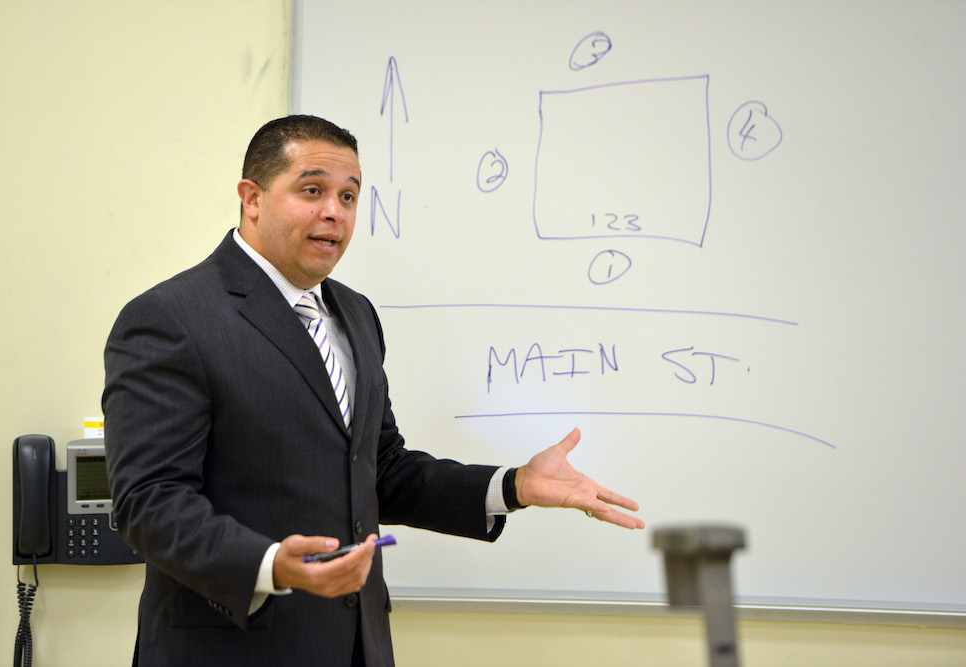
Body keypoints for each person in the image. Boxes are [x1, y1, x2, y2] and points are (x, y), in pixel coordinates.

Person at [102, 114, 644, 667]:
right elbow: (148, 502)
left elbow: (378, 469)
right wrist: (268, 564)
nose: (334, 212)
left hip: (357, 645)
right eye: (311, 190)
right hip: (226, 647)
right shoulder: (170, 318)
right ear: (252, 198)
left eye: (349, 196)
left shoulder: (355, 314)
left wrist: (513, 486)